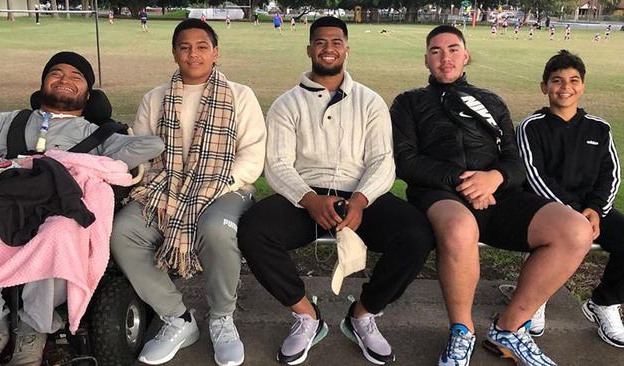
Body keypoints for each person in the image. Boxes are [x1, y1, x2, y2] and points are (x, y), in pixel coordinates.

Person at [390, 25, 592, 366]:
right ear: (426, 60)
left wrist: (494, 178)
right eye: (436, 51)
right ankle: (462, 332)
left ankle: (510, 328)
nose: (445, 57)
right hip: (440, 194)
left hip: (497, 193)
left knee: (576, 230)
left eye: (453, 49)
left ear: (466, 56)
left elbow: (515, 160)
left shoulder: (491, 101)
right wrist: (464, 181)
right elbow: (405, 160)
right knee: (459, 229)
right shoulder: (409, 102)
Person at [238, 16, 434, 365]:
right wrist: (310, 199)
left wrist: (360, 200)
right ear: (309, 49)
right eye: (321, 42)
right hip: (305, 196)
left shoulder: (370, 101)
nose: (329, 48)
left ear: (347, 48)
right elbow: (278, 164)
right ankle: (306, 315)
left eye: (336, 42)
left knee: (417, 233)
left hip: (360, 195)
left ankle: (362, 313)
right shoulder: (287, 103)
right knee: (254, 230)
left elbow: (382, 160)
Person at [0, 51, 164, 366]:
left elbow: (150, 146)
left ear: (88, 95)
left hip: (59, 205)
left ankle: (32, 330)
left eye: (76, 77)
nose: (64, 80)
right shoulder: (12, 121)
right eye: (57, 73)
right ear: (43, 84)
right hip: (6, 203)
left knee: (61, 232)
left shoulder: (97, 133)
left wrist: (67, 161)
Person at [110, 19, 266, 366]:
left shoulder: (240, 95)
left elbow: (253, 153)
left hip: (229, 186)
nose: (193, 53)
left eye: (201, 46)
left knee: (216, 228)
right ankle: (177, 318)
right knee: (125, 232)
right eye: (184, 47)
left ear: (215, 52)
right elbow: (143, 153)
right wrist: (161, 188)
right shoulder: (154, 98)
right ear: (174, 53)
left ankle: (222, 317)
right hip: (166, 186)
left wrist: (213, 190)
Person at [517, 49, 624, 348]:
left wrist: (595, 210)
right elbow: (534, 176)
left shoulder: (599, 128)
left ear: (583, 86)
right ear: (544, 86)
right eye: (557, 80)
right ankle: (537, 297)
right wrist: (575, 215)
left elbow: (610, 174)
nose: (565, 87)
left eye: (573, 80)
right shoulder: (531, 126)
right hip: (548, 209)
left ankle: (604, 302)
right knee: (551, 236)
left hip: (593, 210)